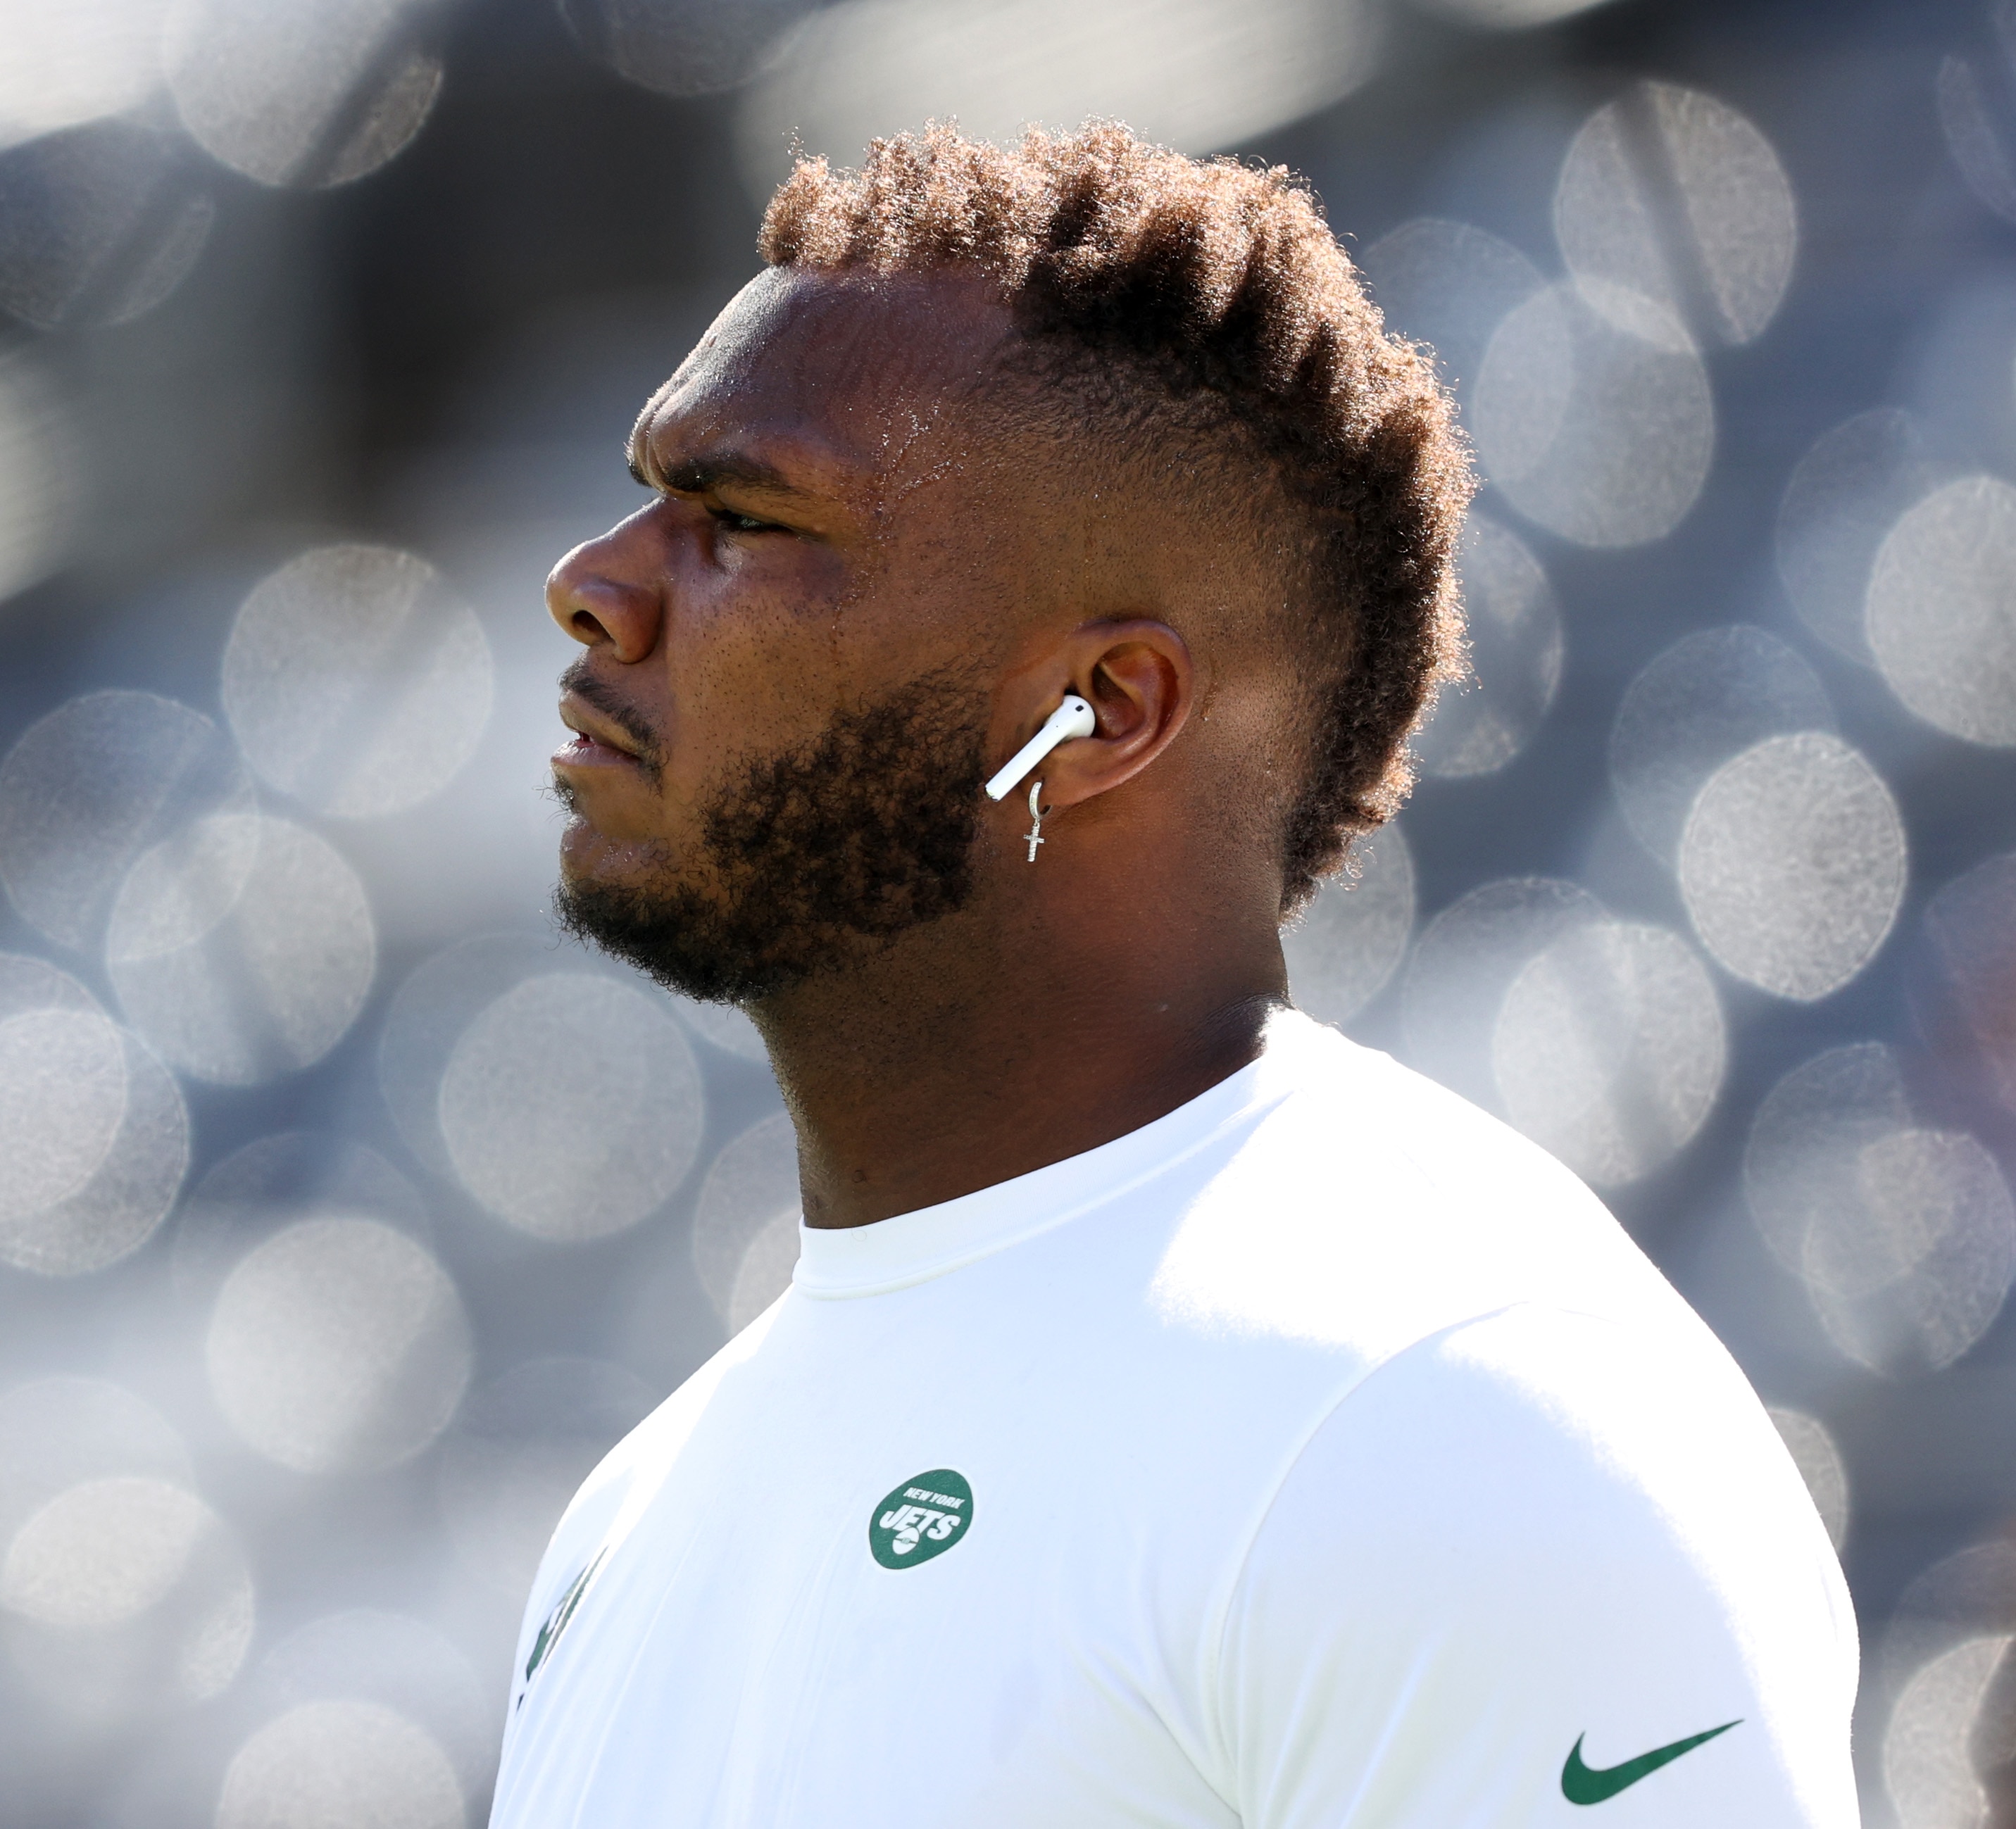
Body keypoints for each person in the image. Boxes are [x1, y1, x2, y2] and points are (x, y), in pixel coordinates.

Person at [498, 122, 1858, 1825]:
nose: (594, 586)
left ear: (1103, 717)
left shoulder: (1443, 1410)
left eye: (743, 519)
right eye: (645, 496)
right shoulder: (624, 1523)